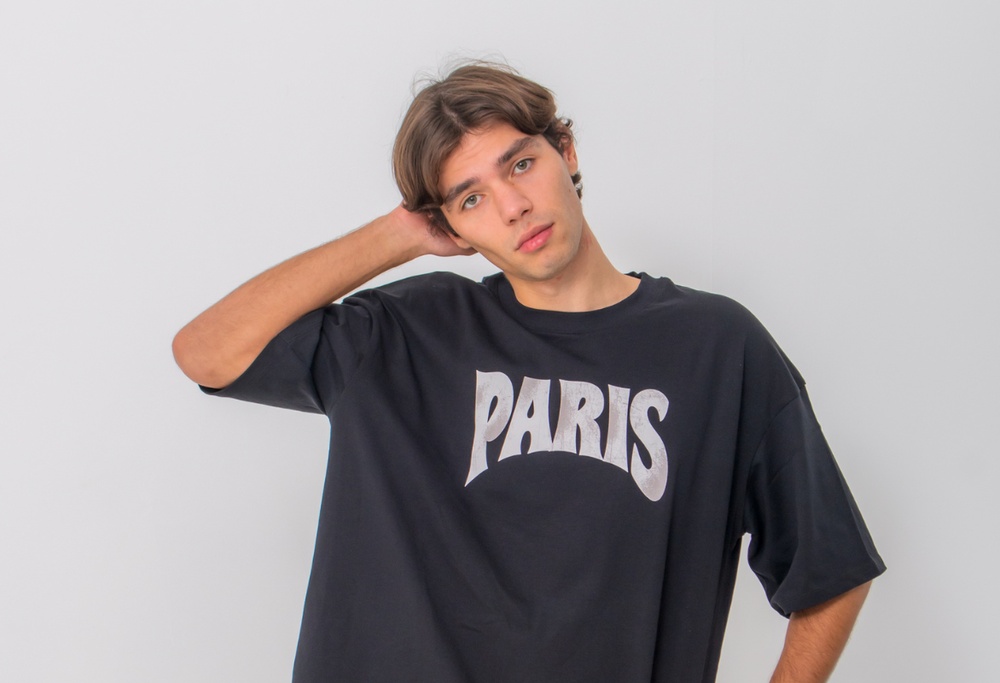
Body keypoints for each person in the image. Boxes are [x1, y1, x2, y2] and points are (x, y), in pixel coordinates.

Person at [173, 62, 885, 682]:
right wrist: (397, 235)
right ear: (450, 226)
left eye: (519, 165)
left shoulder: (717, 348)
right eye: (470, 198)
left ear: (565, 150)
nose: (513, 208)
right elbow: (207, 352)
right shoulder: (403, 335)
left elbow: (831, 572)